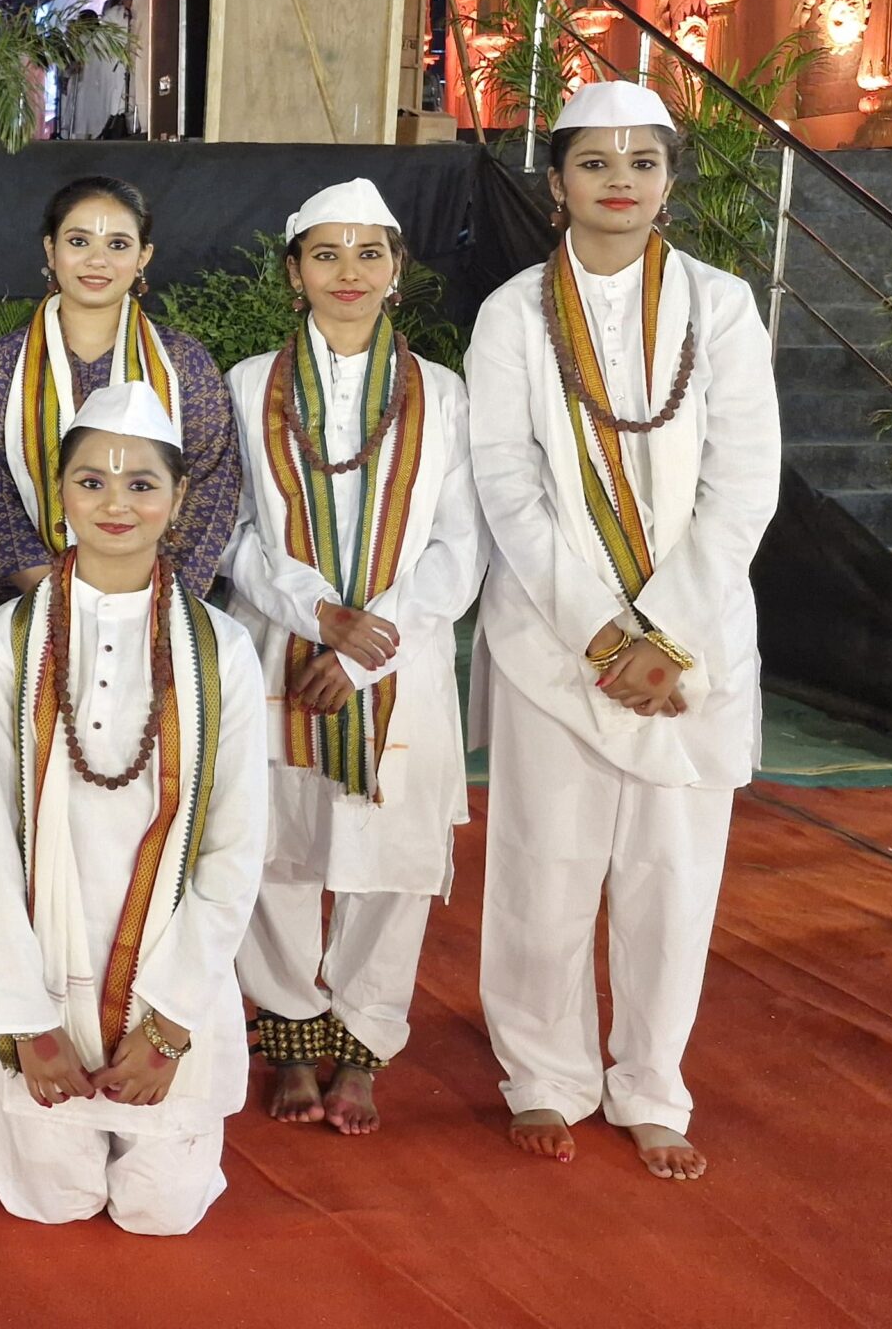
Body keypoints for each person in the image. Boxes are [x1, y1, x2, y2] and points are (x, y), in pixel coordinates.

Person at [467, 81, 779, 1182]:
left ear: (667, 182)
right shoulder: (513, 313)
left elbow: (744, 480)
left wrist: (666, 632)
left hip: (691, 644)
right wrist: (603, 634)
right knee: (543, 865)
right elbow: (506, 485)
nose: (619, 181)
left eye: (641, 161)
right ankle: (542, 1074)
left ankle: (651, 1083)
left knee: (671, 874)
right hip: (555, 641)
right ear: (554, 183)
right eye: (594, 162)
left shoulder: (721, 306)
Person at [0, 381, 265, 1234]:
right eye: (91, 481)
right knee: (49, 1205)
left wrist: (171, 1025)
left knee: (160, 1213)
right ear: (57, 493)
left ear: (179, 498)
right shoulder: (8, 638)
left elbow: (237, 845)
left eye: (142, 484)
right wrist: (27, 1019)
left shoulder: (224, 649)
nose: (116, 504)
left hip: (172, 984)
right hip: (41, 979)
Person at [221, 179, 482, 1136]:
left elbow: (462, 544)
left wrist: (370, 647)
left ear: (397, 271)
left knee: (389, 859)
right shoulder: (248, 385)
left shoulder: (442, 394)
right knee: (278, 850)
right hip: (280, 648)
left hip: (400, 663)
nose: (348, 273)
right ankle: (292, 1032)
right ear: (294, 273)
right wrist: (318, 615)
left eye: (369, 253)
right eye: (325, 254)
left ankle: (363, 1042)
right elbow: (229, 530)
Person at [0, 175, 239, 609]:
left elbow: (209, 488)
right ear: (50, 250)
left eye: (118, 245)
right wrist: (62, 602)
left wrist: (149, 603)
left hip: (156, 609)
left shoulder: (184, 363)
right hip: (30, 607)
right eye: (79, 241)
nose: (97, 261)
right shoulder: (2, 365)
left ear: (143, 256)